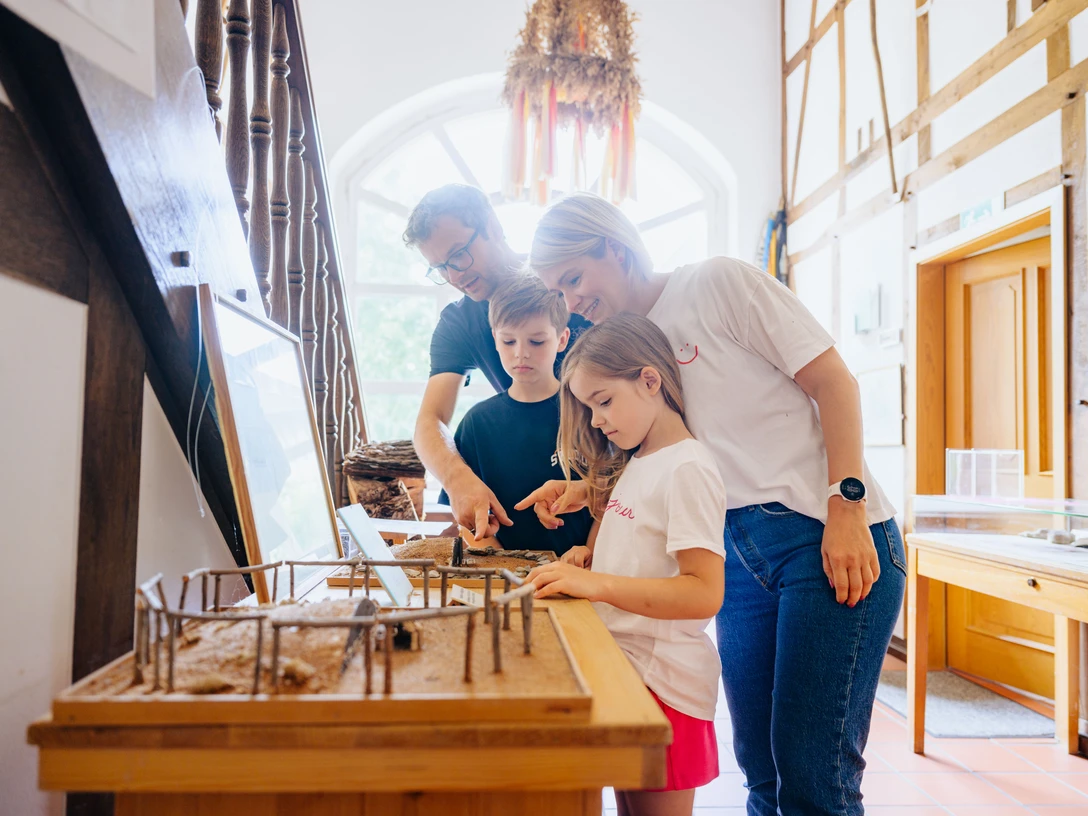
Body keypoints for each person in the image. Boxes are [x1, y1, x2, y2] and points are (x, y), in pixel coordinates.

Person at [520, 193, 906, 816]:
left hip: (823, 535)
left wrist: (846, 505)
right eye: (558, 291)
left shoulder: (718, 281)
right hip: (734, 548)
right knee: (762, 771)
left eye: (573, 279)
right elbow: (691, 451)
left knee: (815, 777)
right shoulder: (628, 341)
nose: (571, 301)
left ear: (614, 248)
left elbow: (835, 382)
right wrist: (589, 490)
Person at [528, 314, 726, 816]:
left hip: (665, 684)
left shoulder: (688, 467)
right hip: (630, 671)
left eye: (603, 401)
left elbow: (703, 592)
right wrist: (591, 553)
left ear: (650, 380)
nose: (596, 420)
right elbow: (642, 543)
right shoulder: (641, 458)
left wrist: (593, 582)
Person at [403, 184, 588, 541]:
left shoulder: (566, 284)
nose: (454, 276)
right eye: (440, 267)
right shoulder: (458, 323)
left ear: (492, 227)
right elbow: (430, 419)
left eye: (458, 255)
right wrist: (459, 480)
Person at [438, 274, 593, 555]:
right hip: (503, 582)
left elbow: (613, 501)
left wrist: (590, 561)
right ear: (495, 339)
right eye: (509, 342)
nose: (521, 354)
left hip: (584, 574)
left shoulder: (589, 412)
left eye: (536, 342)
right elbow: (469, 521)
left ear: (561, 339)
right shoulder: (477, 424)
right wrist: (504, 570)